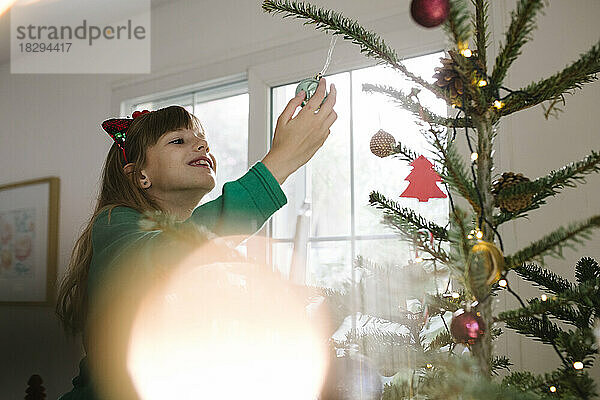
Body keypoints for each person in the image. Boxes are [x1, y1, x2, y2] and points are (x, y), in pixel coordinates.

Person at [56, 78, 337, 399]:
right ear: (139, 175)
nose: (202, 146)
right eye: (178, 141)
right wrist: (280, 162)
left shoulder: (197, 242)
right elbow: (171, 252)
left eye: (202, 140)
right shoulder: (114, 223)